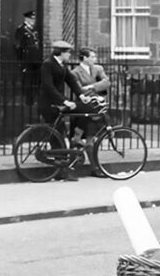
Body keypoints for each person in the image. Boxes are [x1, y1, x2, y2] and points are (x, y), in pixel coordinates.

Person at [37, 40, 88, 181]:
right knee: (57, 137)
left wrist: (81, 95)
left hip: (56, 103)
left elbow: (71, 81)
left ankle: (62, 168)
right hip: (48, 104)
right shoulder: (48, 64)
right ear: (61, 52)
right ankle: (61, 172)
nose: (70, 55)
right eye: (68, 52)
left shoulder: (62, 65)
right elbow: (48, 86)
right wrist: (64, 101)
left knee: (59, 135)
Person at [70, 47, 111, 177]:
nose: (95, 59)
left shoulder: (98, 69)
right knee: (88, 138)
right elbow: (79, 90)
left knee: (91, 137)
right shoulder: (75, 72)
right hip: (84, 105)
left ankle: (92, 165)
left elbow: (106, 82)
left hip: (96, 106)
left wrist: (92, 86)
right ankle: (93, 167)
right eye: (92, 57)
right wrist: (92, 93)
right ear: (85, 58)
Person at [14, 10, 42, 105]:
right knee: (28, 79)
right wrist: (20, 59)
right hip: (26, 58)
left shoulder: (34, 30)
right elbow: (18, 45)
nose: (33, 21)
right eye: (31, 19)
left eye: (33, 19)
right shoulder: (21, 29)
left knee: (37, 79)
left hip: (36, 58)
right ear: (26, 19)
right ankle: (28, 101)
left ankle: (37, 99)